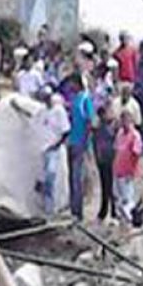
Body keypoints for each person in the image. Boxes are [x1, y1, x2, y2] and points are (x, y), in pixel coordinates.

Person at [35, 89, 70, 217]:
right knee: (43, 180)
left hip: (54, 149)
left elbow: (65, 131)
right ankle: (46, 209)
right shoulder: (43, 112)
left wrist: (56, 145)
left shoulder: (59, 111)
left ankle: (52, 209)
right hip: (43, 150)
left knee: (51, 177)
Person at [68, 75, 96, 220]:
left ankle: (78, 212)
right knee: (72, 176)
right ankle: (73, 208)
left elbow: (91, 121)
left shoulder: (85, 99)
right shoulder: (74, 99)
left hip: (80, 142)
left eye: (72, 83)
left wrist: (85, 141)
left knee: (77, 176)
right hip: (72, 141)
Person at [114, 109, 143, 222]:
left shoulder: (135, 136)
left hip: (128, 171)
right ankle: (122, 221)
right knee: (119, 198)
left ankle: (131, 221)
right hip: (118, 169)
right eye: (122, 121)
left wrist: (132, 171)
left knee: (128, 200)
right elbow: (117, 150)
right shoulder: (120, 133)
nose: (124, 123)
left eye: (126, 121)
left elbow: (136, 154)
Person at [93, 106, 117, 223]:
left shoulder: (113, 128)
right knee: (106, 186)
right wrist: (98, 158)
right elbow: (97, 145)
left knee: (112, 187)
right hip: (104, 161)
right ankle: (105, 211)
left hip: (112, 160)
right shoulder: (99, 129)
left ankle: (113, 211)